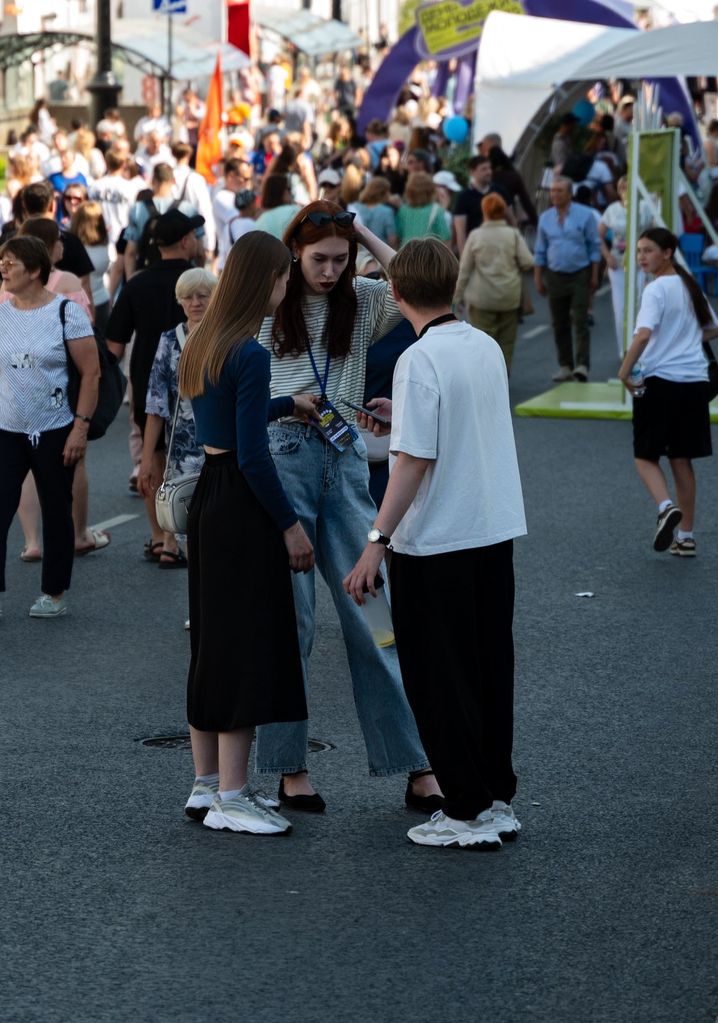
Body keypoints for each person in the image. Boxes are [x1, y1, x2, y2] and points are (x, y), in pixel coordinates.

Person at [253, 203, 441, 817]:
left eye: (341, 259)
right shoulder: (267, 303)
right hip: (284, 457)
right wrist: (289, 401)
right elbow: (240, 393)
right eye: (318, 259)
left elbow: (414, 280)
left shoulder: (361, 299)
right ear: (293, 256)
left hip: (347, 457)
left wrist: (356, 228)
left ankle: (416, 765)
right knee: (292, 621)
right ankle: (289, 768)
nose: (330, 271)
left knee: (373, 615)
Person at [343, 237, 528, 850]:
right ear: (453, 284)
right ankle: (495, 797)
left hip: (436, 541)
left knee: (436, 677)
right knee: (486, 669)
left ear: (393, 295)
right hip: (491, 528)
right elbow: (461, 421)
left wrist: (375, 540)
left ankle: (465, 809)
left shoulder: (417, 360)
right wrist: (403, 415)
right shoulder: (483, 346)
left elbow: (415, 461)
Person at [175, 233, 310, 836]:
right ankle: (235, 795)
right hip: (242, 502)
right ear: (268, 281)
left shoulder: (202, 340)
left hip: (208, 494)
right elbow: (255, 457)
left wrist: (285, 405)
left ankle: (206, 786)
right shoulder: (250, 350)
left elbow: (228, 421)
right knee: (246, 647)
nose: (288, 288)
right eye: (285, 277)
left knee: (211, 641)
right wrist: (291, 527)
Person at [0, 235, 99, 622]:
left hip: (55, 429)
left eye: (11, 262)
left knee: (56, 509)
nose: (2, 267)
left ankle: (53, 593)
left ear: (35, 270)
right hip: (5, 429)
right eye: (1, 260)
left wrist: (80, 429)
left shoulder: (67, 313)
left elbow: (91, 373)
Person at [613, 226, 718, 559]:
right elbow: (714, 329)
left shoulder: (656, 289)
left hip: (660, 380)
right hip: (694, 381)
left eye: (648, 250)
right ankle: (686, 536)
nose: (642, 256)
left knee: (645, 455)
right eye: (639, 250)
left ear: (667, 253)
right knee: (681, 458)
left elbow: (644, 335)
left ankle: (665, 508)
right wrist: (684, 341)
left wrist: (623, 370)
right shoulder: (690, 286)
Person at [102, 207, 203, 488]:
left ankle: (159, 532)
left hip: (147, 378)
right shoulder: (202, 282)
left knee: (153, 457)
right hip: (199, 375)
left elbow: (115, 345)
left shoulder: (137, 283)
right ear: (185, 241)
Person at [135, 263, 216, 567]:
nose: (194, 303)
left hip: (224, 447)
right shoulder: (169, 340)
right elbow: (155, 407)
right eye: (187, 297)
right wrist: (146, 464)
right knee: (192, 530)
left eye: (202, 295)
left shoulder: (227, 338)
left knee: (218, 531)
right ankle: (200, 609)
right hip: (182, 453)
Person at [455, 192, 536, 377]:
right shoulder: (513, 234)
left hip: (481, 299)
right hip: (509, 297)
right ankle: (502, 377)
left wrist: (456, 298)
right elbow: (528, 261)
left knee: (482, 343)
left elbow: (465, 270)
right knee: (506, 344)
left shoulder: (476, 236)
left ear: (484, 211)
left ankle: (484, 379)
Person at [535, 175, 604, 383]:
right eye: (552, 191)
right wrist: (538, 277)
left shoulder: (585, 215)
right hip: (555, 274)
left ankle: (582, 365)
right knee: (559, 322)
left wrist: (594, 275)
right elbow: (540, 249)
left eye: (559, 191)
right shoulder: (545, 218)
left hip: (579, 273)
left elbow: (594, 246)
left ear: (570, 193)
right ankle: (565, 365)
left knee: (581, 319)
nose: (554, 195)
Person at [393, 170, 450, 244]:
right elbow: (445, 237)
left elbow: (398, 234)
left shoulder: (403, 210)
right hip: (428, 252)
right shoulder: (436, 209)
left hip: (406, 251)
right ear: (430, 190)